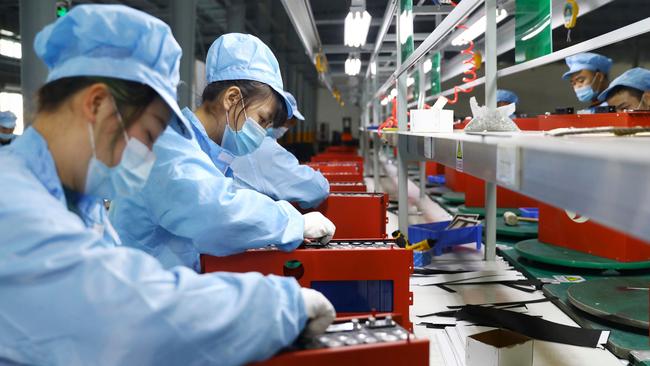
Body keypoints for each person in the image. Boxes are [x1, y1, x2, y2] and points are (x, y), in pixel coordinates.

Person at [0, 5, 334, 365]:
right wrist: (277, 307)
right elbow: (125, 313)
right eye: (145, 134)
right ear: (96, 104)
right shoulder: (16, 204)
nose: (145, 156)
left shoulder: (73, 198)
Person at [109, 33, 336, 271]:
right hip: (140, 296)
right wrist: (293, 223)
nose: (262, 134)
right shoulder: (166, 147)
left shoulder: (203, 151)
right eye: (262, 119)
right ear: (232, 98)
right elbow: (215, 213)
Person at [231, 91, 330, 209]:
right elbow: (316, 189)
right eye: (290, 120)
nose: (288, 126)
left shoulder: (234, 140)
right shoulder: (266, 150)